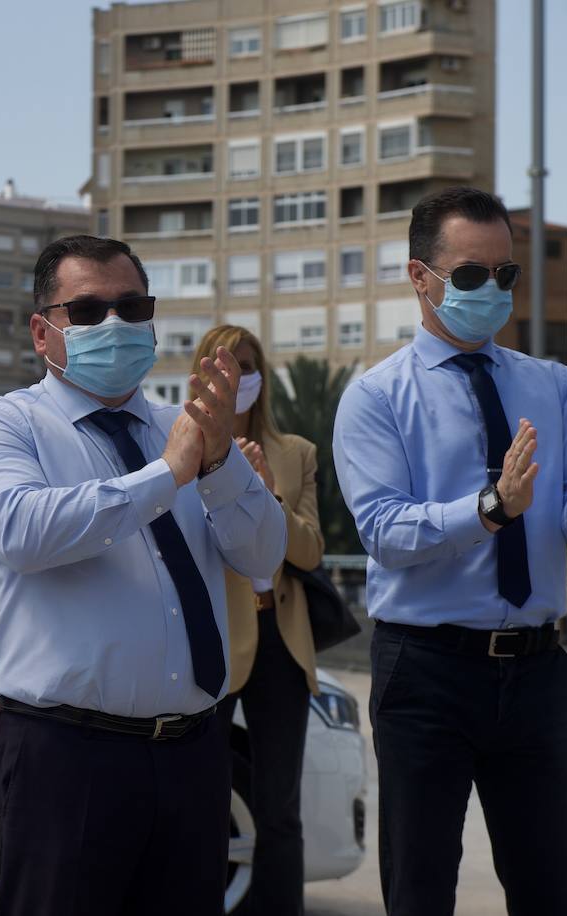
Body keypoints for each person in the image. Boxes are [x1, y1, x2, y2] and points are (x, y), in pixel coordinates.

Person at [0, 235, 286, 916]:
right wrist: (167, 475)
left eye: (132, 307)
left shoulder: (187, 430)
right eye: (89, 310)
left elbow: (262, 557)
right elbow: (24, 530)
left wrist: (219, 466)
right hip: (67, 755)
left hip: (192, 750)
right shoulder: (4, 426)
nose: (115, 325)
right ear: (43, 332)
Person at [332, 186, 567, 916]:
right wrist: (490, 509)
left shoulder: (551, 385)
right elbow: (385, 533)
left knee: (544, 888)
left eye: (506, 275)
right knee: (421, 888)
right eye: (471, 274)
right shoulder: (376, 398)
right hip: (425, 670)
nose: (492, 289)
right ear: (420, 278)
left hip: (532, 670)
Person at [197, 325, 325, 916]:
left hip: (279, 637)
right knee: (197, 799)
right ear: (204, 371)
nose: (239, 376)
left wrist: (269, 497)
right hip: (213, 638)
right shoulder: (178, 448)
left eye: (249, 366)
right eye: (226, 363)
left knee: (280, 808)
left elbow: (310, 553)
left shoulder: (295, 452)